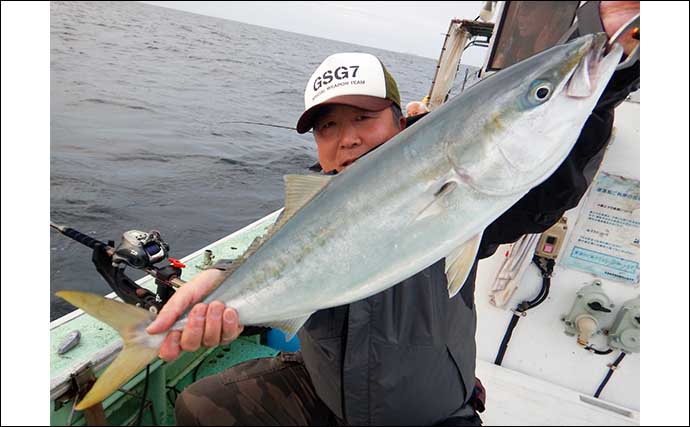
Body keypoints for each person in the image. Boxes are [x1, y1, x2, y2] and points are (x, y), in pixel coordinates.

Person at [146, 2, 640, 425]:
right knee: (202, 405)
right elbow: (266, 257)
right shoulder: (310, 205)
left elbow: (549, 188)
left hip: (431, 415)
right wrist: (217, 282)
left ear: (400, 120)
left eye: (365, 117)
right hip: (327, 398)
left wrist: (614, 73)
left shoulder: (473, 200)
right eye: (327, 128)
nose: (348, 138)